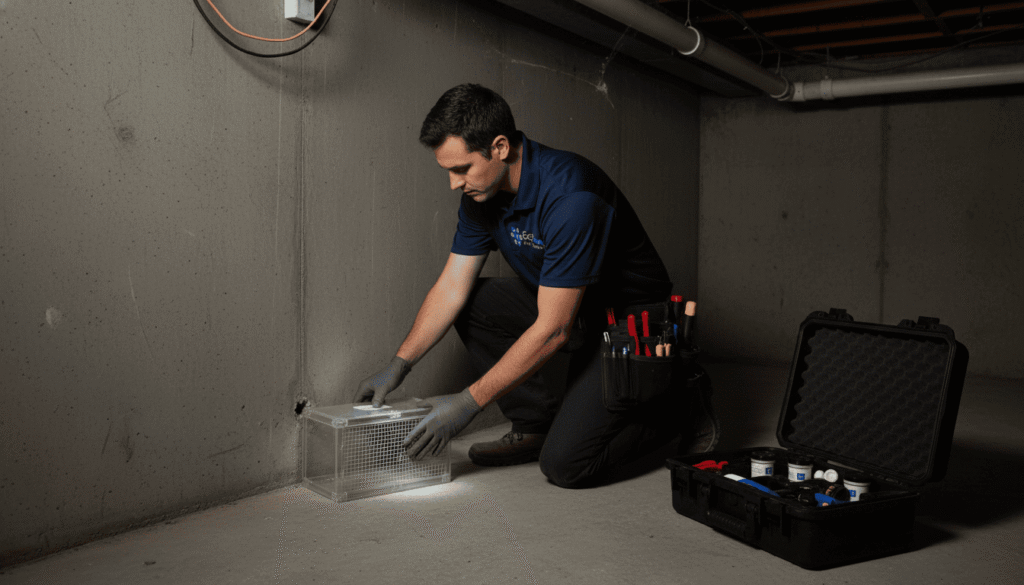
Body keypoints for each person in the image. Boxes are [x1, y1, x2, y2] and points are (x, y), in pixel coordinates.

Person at [354, 84, 718, 488]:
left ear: (499, 147)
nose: (454, 184)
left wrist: (467, 403)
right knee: (475, 301)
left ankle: (678, 405)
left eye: (462, 169)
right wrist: (399, 364)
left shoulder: (571, 196)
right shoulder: (481, 195)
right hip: (571, 310)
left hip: (630, 321)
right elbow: (451, 288)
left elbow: (553, 329)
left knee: (566, 465)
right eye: (448, 171)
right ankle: (533, 426)